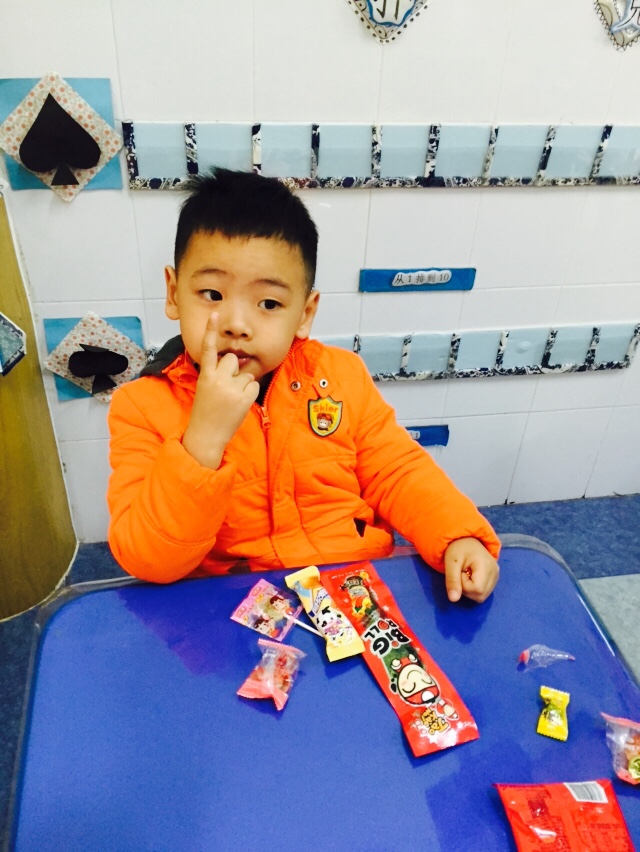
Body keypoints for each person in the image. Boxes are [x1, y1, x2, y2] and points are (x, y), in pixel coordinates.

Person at [107, 168, 500, 603]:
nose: (237, 324)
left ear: (305, 313)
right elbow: (148, 560)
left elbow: (397, 471)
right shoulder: (140, 407)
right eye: (212, 295)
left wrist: (456, 534)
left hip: (351, 584)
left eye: (268, 303)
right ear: (173, 292)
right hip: (232, 609)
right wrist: (201, 442)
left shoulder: (342, 377)